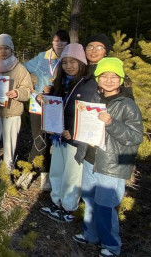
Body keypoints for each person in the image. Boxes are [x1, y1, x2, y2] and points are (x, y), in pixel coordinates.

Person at [73, 58, 143, 257]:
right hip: (91, 159)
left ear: (121, 79)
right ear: (98, 78)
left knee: (106, 205)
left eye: (114, 76)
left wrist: (111, 123)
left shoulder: (127, 104)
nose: (109, 80)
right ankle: (91, 235)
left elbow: (135, 137)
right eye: (105, 75)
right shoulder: (94, 99)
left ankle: (112, 245)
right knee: (89, 199)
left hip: (111, 164)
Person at [38, 43, 99, 222]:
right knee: (57, 171)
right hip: (58, 137)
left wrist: (74, 132)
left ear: (82, 62)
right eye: (64, 63)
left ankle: (69, 208)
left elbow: (89, 114)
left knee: (72, 175)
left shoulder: (89, 84)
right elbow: (55, 107)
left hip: (74, 138)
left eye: (73, 61)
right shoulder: (60, 83)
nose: (68, 66)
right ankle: (56, 202)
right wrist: (43, 97)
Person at [24, 30, 70, 190]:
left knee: (54, 142)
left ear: (68, 44)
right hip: (38, 105)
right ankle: (30, 172)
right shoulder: (42, 57)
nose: (59, 44)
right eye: (57, 41)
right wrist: (31, 90)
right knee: (39, 138)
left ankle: (47, 174)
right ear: (52, 42)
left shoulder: (70, 61)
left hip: (58, 108)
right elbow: (23, 71)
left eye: (63, 42)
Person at [0, 34, 32, 174]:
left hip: (12, 111)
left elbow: (28, 89)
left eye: (6, 48)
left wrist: (17, 93)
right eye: (0, 48)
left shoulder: (19, 68)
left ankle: (7, 167)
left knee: (9, 142)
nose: (3, 51)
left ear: (11, 49)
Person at [84, 33, 134, 100]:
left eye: (99, 47)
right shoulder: (79, 71)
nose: (94, 50)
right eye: (90, 47)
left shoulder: (116, 73)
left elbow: (127, 100)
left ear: (106, 52)